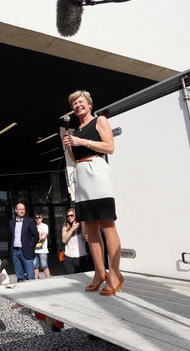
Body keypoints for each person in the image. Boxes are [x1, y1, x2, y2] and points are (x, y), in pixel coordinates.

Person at [62, 90, 123, 296]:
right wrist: (70, 145)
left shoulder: (100, 121)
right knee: (89, 228)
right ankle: (99, 273)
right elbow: (73, 157)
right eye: (74, 103)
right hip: (80, 176)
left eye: (80, 102)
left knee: (107, 224)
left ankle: (115, 274)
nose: (77, 105)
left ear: (89, 104)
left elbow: (109, 147)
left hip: (96, 172)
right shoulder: (75, 130)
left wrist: (83, 142)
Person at [8, 203, 38, 283]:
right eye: (20, 209)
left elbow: (36, 236)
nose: (22, 211)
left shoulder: (30, 221)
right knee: (20, 277)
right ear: (16, 210)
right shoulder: (11, 222)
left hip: (26, 251)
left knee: (30, 276)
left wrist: (30, 247)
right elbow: (10, 237)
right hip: (15, 252)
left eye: (23, 209)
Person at [61, 208, 93, 274]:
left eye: (72, 215)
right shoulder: (65, 227)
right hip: (68, 258)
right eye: (68, 216)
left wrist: (81, 221)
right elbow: (64, 240)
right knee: (70, 278)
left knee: (83, 279)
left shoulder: (82, 226)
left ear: (76, 215)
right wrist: (72, 229)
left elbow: (84, 235)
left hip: (82, 258)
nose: (69, 217)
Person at [33, 213, 51, 279]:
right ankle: (35, 280)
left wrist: (34, 238)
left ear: (42, 218)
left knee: (44, 265)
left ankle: (48, 279)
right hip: (34, 250)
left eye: (39, 217)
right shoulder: (33, 226)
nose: (37, 219)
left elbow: (43, 237)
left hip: (42, 250)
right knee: (35, 266)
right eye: (36, 217)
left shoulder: (44, 226)